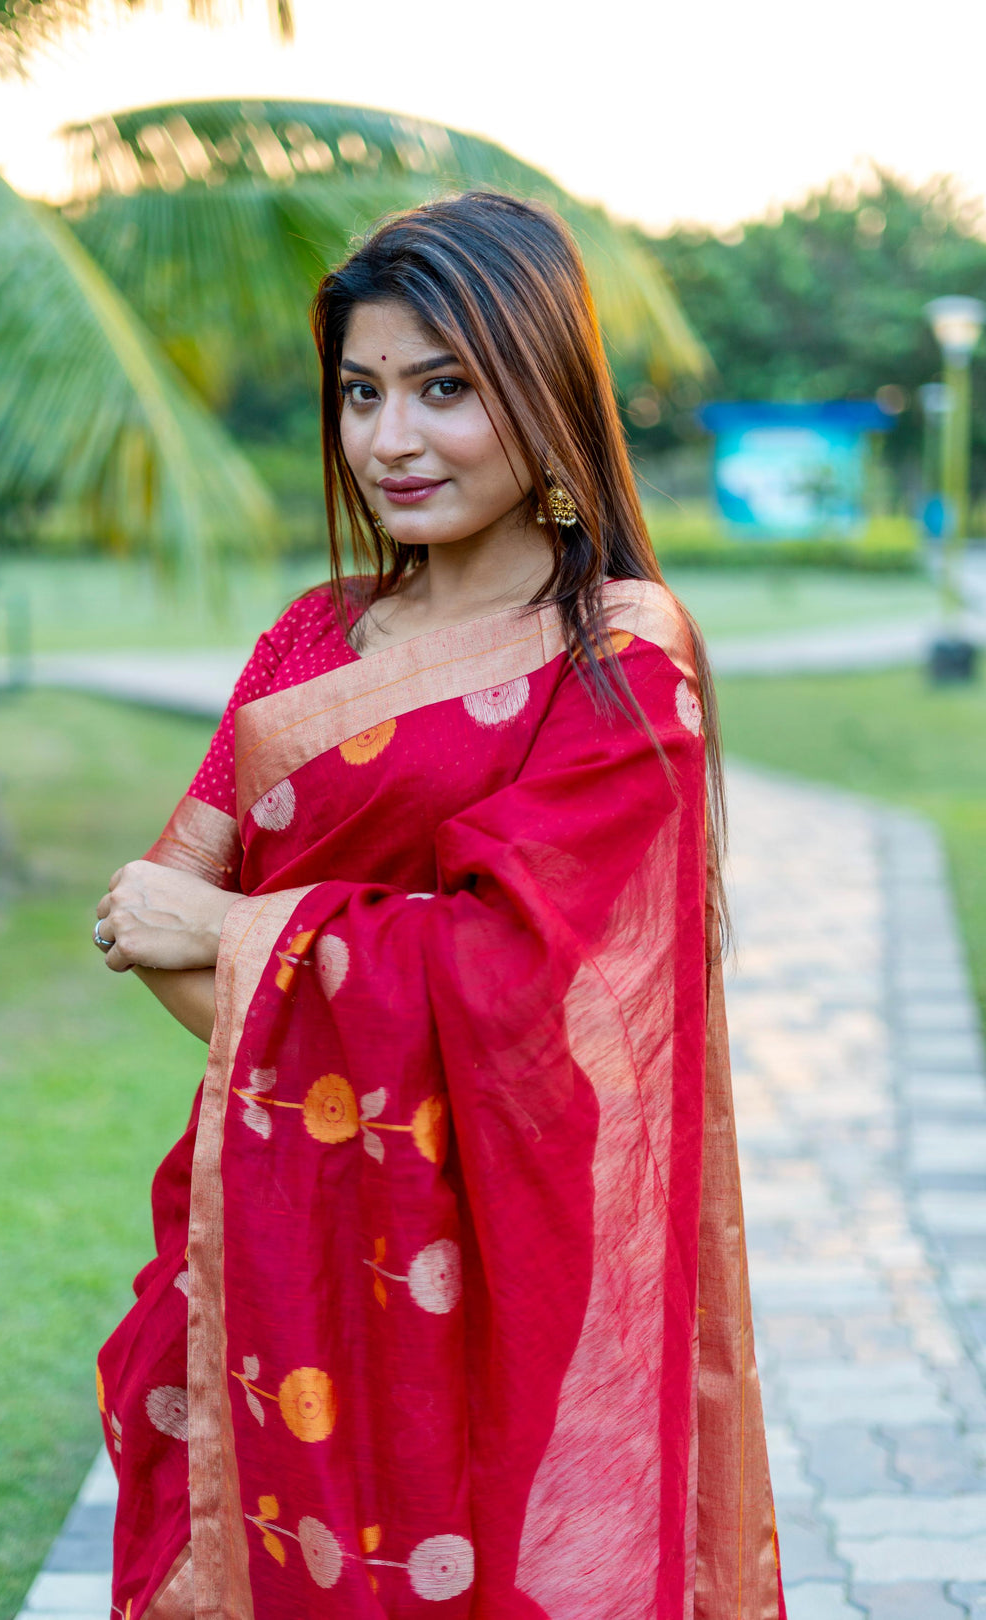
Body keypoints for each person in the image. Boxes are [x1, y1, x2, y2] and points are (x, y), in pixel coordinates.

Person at [93, 191, 784, 1620]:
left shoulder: (620, 664)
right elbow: (143, 925)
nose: (389, 440)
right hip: (269, 1233)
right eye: (361, 393)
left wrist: (235, 939)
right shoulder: (311, 638)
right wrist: (223, 946)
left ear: (546, 389)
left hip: (500, 1272)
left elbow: (516, 1003)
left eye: (446, 388)